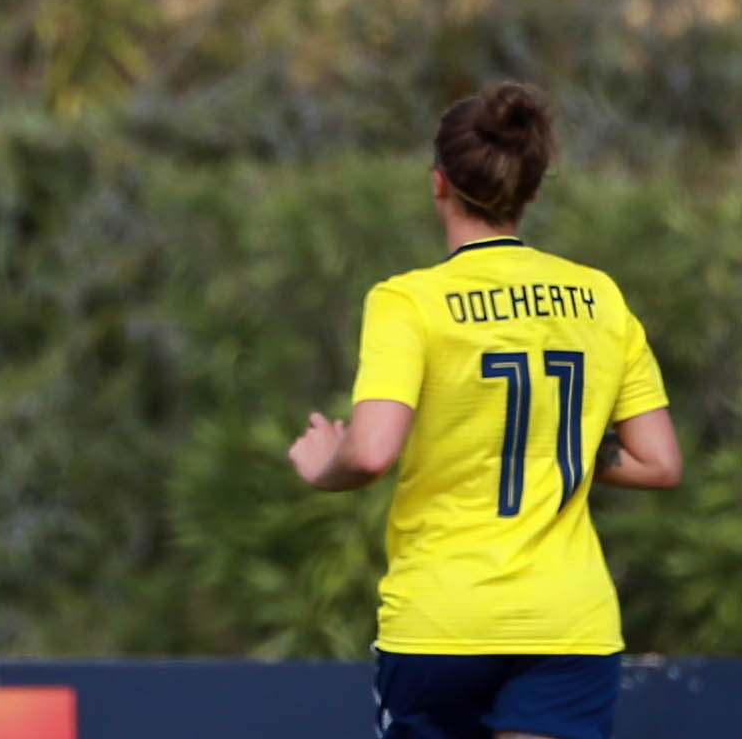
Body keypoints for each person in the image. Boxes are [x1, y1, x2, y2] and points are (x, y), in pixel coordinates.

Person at [287, 83, 682, 739]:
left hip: (442, 623)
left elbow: (371, 450)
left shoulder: (408, 302)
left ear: (438, 183)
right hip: (568, 626)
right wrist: (556, 440)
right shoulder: (599, 298)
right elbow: (659, 463)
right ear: (530, 190)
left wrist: (320, 463)